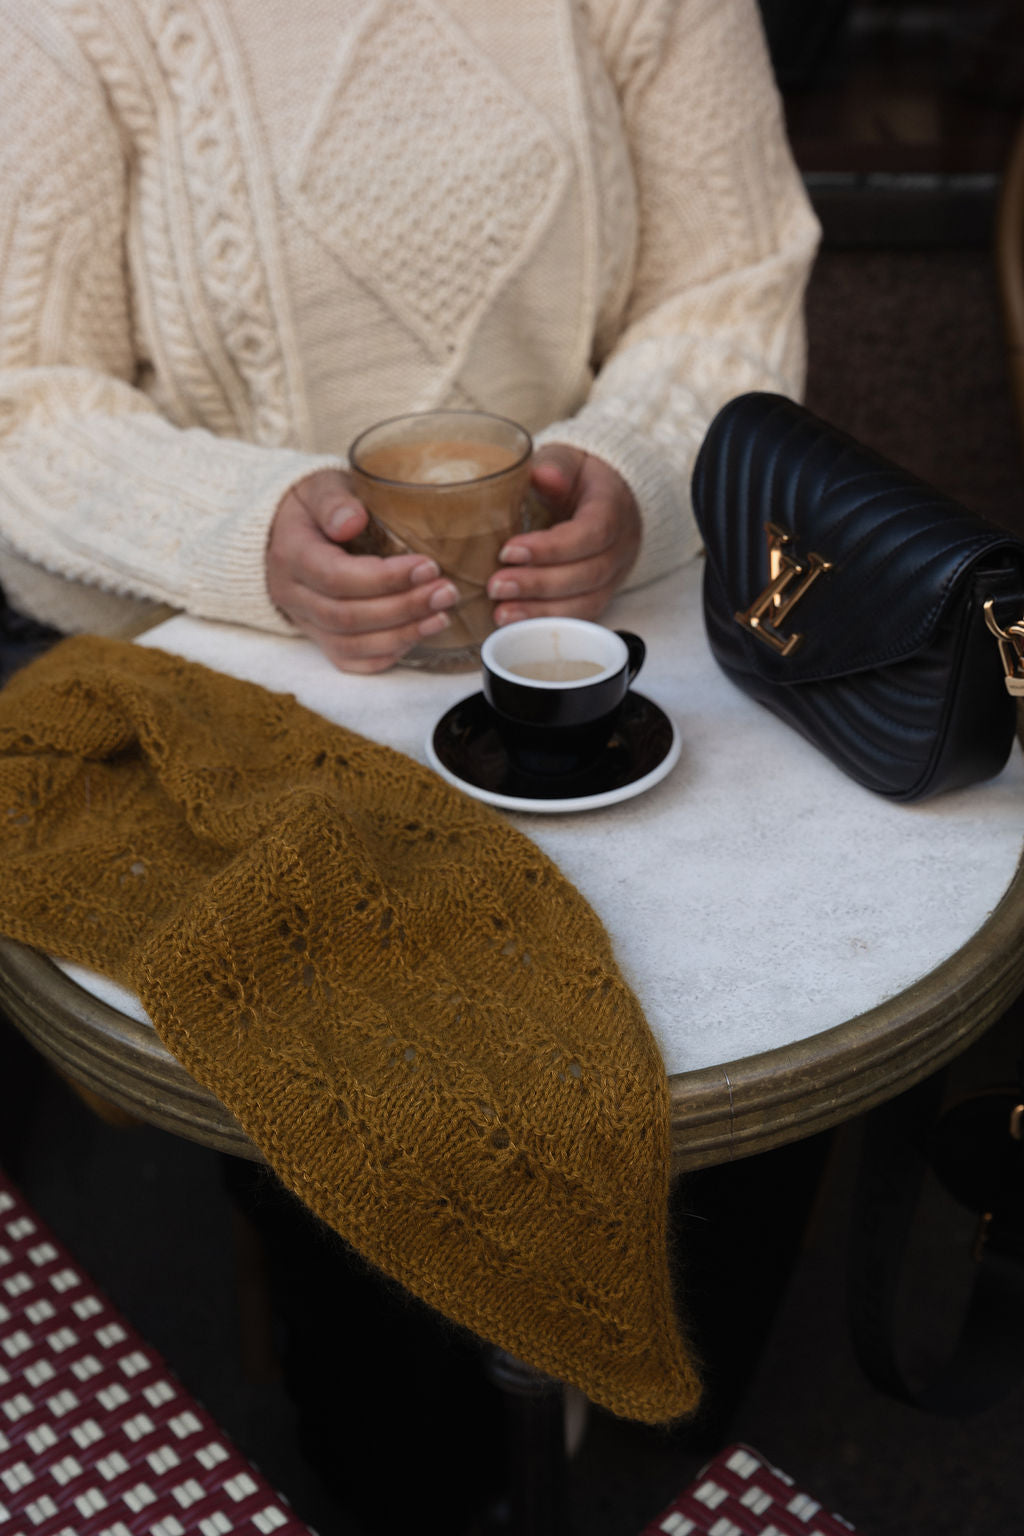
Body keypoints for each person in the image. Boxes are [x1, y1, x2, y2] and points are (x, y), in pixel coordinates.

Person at [0, 0, 819, 675]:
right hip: (191, 663)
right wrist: (242, 530)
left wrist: (639, 471)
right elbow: (24, 396)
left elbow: (731, 290)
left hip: (602, 642)